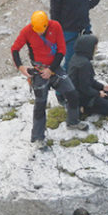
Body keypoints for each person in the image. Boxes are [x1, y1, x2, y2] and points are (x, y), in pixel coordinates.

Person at [11, 10, 88, 147]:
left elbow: (61, 50)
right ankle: (38, 138)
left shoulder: (55, 26)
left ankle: (73, 121)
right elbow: (15, 49)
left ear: (46, 25)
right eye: (37, 31)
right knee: (40, 103)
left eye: (41, 31)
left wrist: (51, 69)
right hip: (39, 70)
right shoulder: (27, 31)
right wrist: (21, 68)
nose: (39, 33)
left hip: (54, 67)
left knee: (71, 92)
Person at [50, 0, 107, 73]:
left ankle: (79, 85)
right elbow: (54, 11)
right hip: (67, 30)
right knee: (70, 60)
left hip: (84, 28)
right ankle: (64, 89)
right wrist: (56, 30)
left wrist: (90, 5)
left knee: (85, 59)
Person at [67, 34, 108, 117]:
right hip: (81, 96)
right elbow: (85, 88)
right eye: (95, 47)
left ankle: (86, 106)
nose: (96, 49)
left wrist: (102, 87)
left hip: (78, 93)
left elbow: (89, 81)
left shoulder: (76, 57)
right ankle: (84, 109)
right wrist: (98, 93)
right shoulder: (84, 64)